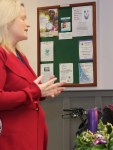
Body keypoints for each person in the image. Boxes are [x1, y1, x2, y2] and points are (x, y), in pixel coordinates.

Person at [0, 0, 65, 150]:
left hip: (32, 136)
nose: (28, 24)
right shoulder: (1, 54)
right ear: (7, 21)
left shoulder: (20, 55)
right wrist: (35, 91)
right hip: (14, 141)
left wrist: (43, 91)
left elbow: (28, 91)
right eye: (23, 18)